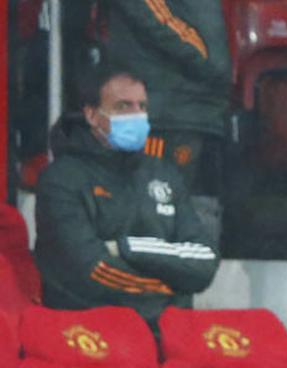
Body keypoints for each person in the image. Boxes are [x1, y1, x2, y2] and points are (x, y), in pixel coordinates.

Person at [35, 65, 220, 327]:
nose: (137, 115)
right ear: (91, 115)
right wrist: (171, 292)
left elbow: (205, 261)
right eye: (123, 106)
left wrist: (126, 248)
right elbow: (89, 270)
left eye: (142, 107)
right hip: (90, 335)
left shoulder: (164, 174)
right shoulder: (61, 180)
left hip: (164, 334)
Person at [105, 0, 231, 197]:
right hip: (185, 105)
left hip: (167, 111)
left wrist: (207, 58)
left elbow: (158, 19)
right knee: (182, 207)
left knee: (154, 207)